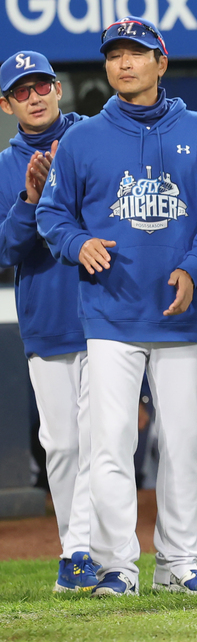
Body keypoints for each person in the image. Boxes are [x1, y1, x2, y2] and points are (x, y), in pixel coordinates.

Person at [37, 17, 197, 597]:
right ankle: (115, 566)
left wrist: (194, 268)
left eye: (137, 53)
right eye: (115, 55)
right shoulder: (80, 140)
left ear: (161, 62)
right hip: (110, 316)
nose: (124, 63)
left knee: (181, 443)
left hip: (182, 317)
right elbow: (53, 215)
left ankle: (178, 565)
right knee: (110, 444)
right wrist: (78, 243)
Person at [0, 51, 96, 592]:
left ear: (58, 89)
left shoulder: (94, 140)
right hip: (45, 320)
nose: (34, 97)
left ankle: (84, 553)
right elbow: (4, 248)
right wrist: (31, 203)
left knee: (102, 442)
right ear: (7, 103)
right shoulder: (4, 166)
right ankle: (78, 550)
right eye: (21, 91)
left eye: (41, 87)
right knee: (61, 445)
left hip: (105, 313)